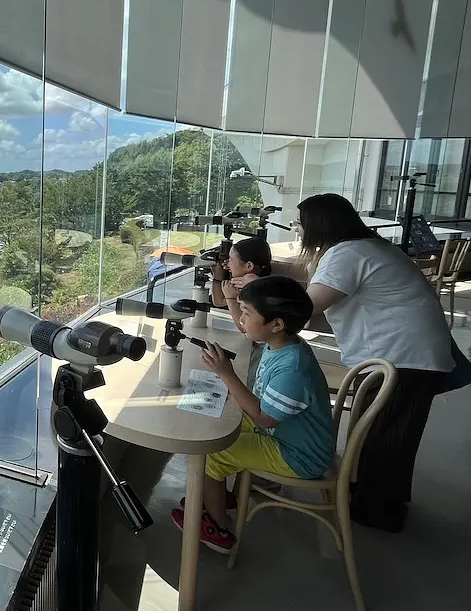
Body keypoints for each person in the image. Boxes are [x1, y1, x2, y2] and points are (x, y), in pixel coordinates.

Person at [295, 192, 454, 533]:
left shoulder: (347, 254)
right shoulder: (367, 246)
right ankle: (374, 498)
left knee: (387, 434)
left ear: (319, 225)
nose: (299, 231)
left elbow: (306, 308)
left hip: (403, 355)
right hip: (409, 352)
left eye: (302, 224)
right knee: (386, 430)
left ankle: (380, 512)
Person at [171, 276, 333, 554]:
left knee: (214, 452)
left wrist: (225, 374)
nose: (241, 319)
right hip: (285, 433)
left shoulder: (292, 370)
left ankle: (218, 528)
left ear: (276, 324)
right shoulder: (283, 346)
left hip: (297, 454)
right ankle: (218, 496)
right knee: (218, 420)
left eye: (246, 313)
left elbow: (264, 418)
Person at [211, 235, 273, 331]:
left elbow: (244, 328)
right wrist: (234, 266)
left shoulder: (247, 284)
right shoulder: (265, 280)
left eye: (230, 260)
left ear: (249, 266)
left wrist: (218, 275)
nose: (227, 263)